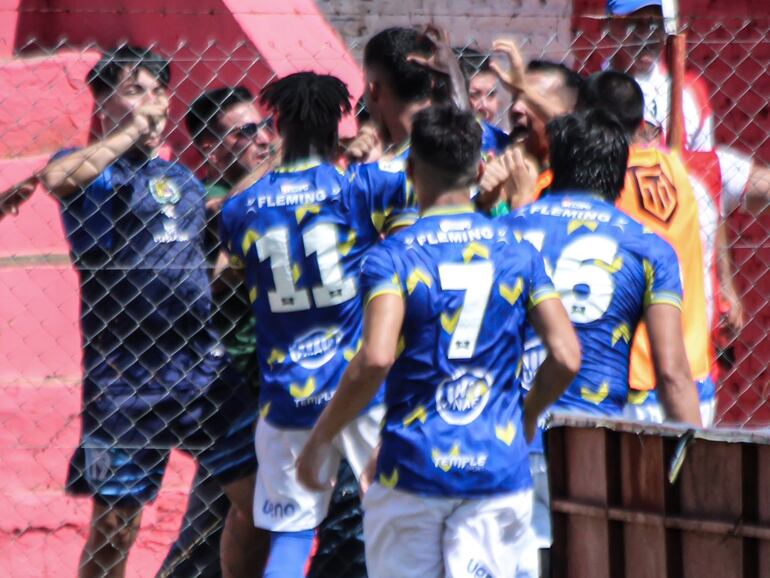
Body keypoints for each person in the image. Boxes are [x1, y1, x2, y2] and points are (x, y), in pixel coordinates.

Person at [296, 104, 581, 578]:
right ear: (480, 168)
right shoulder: (518, 251)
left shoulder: (392, 257)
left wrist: (321, 439)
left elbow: (377, 357)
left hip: (413, 465)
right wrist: (526, 417)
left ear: (409, 171)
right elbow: (567, 356)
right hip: (497, 465)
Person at [34, 46, 262, 578]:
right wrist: (126, 136)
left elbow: (218, 220)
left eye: (158, 91)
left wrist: (290, 156)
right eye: (135, 90)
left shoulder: (181, 179)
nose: (152, 102)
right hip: (124, 379)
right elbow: (58, 179)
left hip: (200, 368)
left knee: (260, 501)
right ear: (104, 103)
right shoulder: (91, 173)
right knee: (116, 527)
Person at [218, 71, 417, 578]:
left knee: (292, 532)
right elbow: (421, 163)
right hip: (359, 387)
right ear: (338, 129)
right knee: (394, 517)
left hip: (285, 393)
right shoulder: (362, 188)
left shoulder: (241, 208)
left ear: (279, 127)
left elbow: (236, 271)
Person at [154, 87, 277, 578]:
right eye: (245, 133)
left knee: (243, 513)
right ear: (207, 145)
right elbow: (225, 208)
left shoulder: (271, 192)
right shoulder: (194, 199)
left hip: (273, 374)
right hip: (223, 383)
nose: (264, 139)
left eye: (265, 126)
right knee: (214, 514)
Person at [576, 71, 714, 426]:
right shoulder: (680, 171)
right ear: (641, 121)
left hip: (636, 380)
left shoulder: (603, 184)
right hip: (693, 379)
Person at [607, 0, 714, 152]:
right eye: (634, 23)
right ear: (610, 25)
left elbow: (704, 164)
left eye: (656, 24)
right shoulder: (589, 88)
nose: (647, 34)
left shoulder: (689, 90)